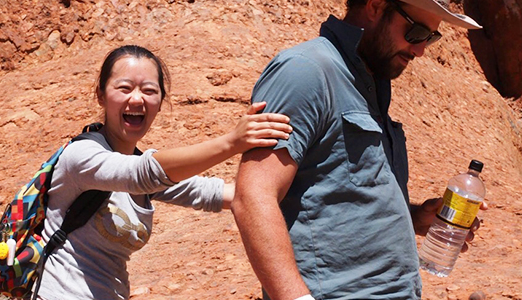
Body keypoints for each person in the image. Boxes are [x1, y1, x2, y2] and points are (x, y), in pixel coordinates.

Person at [230, 0, 487, 299]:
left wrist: (415, 218)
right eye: (416, 33)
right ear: (376, 7)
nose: (420, 50)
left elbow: (337, 192)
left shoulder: (369, 82)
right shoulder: (306, 71)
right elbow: (252, 196)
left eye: (431, 38)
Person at [34, 45, 293, 300]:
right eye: (124, 88)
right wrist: (232, 143)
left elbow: (218, 194)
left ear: (160, 102)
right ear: (100, 95)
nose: (137, 99)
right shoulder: (82, 157)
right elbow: (142, 174)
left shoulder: (139, 166)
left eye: (149, 91)